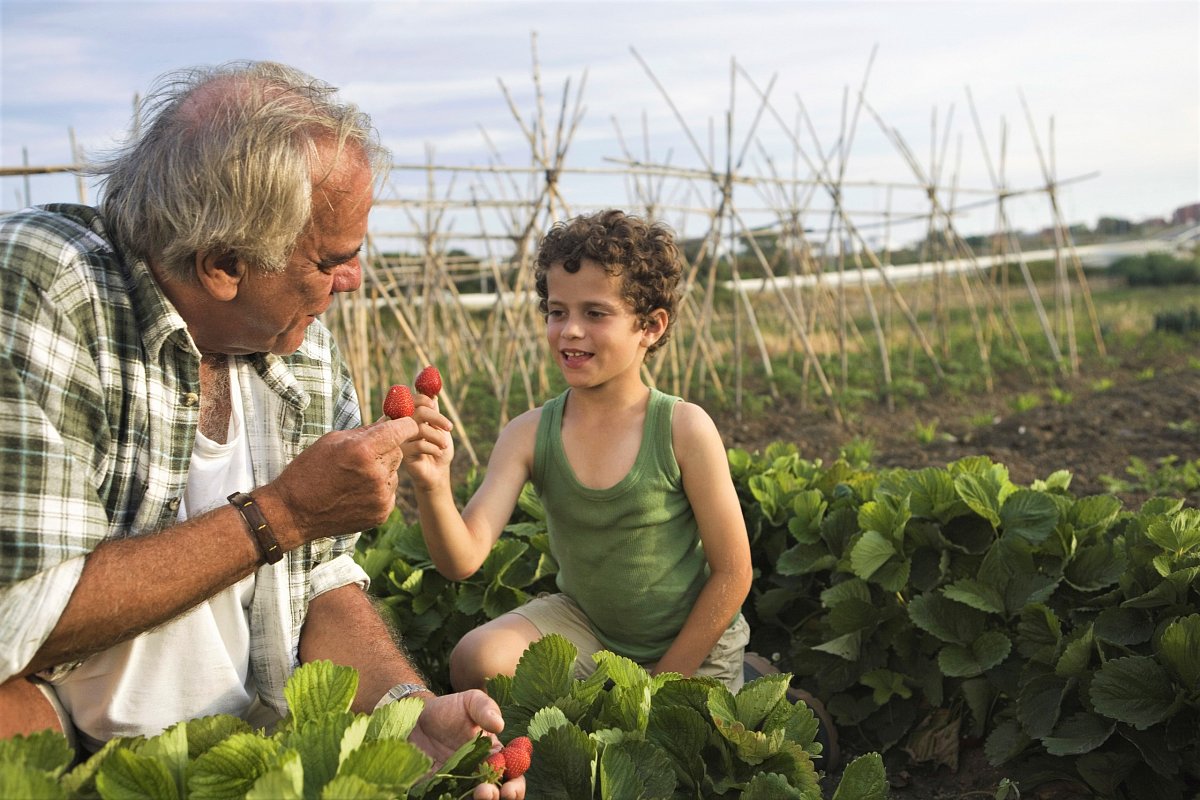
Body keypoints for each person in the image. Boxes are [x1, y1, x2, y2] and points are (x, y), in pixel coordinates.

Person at [0, 61, 523, 800]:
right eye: (332, 260)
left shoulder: (300, 348)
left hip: (243, 751)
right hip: (65, 738)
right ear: (222, 264)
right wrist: (282, 513)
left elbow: (322, 582)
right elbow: (21, 612)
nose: (355, 279)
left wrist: (407, 714)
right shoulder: (50, 292)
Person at [403, 209, 753, 692]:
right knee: (476, 658)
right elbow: (461, 559)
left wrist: (662, 683)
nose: (569, 330)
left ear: (650, 326)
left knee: (681, 739)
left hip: (691, 640)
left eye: (595, 313)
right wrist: (432, 485)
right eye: (557, 312)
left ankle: (757, 677)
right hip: (586, 626)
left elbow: (733, 573)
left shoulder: (683, 429)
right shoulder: (528, 434)